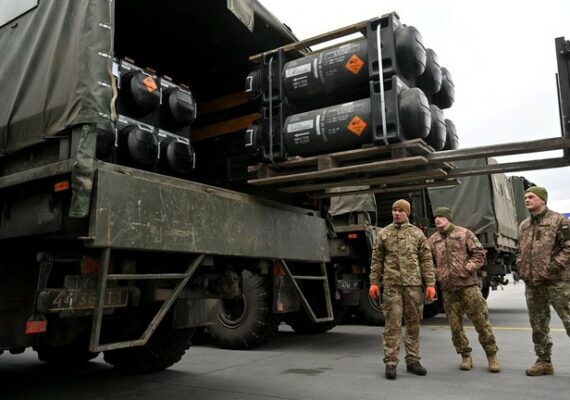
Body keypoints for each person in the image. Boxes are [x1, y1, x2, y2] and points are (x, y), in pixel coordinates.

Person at [369, 199, 436, 380]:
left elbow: (426, 260)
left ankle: (413, 361)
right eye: (394, 210)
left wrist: (430, 284)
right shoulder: (384, 233)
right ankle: (391, 362)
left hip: (413, 286)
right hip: (392, 286)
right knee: (392, 325)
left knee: (413, 324)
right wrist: (374, 282)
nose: (396, 213)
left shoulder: (417, 234)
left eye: (400, 210)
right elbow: (377, 260)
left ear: (407, 213)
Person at [427, 207, 500, 372]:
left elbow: (479, 253)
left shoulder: (463, 233)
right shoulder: (433, 240)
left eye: (441, 217)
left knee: (481, 322)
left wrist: (468, 268)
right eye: (436, 217)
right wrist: (437, 274)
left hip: (468, 286)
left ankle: (491, 355)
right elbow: (428, 261)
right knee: (455, 327)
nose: (438, 219)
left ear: (449, 218)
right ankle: (465, 356)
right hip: (448, 289)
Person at [516, 186, 570, 376]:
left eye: (531, 197)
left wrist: (552, 268)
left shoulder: (559, 221)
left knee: (569, 320)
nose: (527, 199)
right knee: (538, 325)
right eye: (525, 197)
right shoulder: (524, 225)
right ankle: (544, 361)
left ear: (543, 200)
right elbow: (519, 249)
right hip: (533, 283)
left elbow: (568, 248)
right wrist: (521, 266)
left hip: (557, 282)